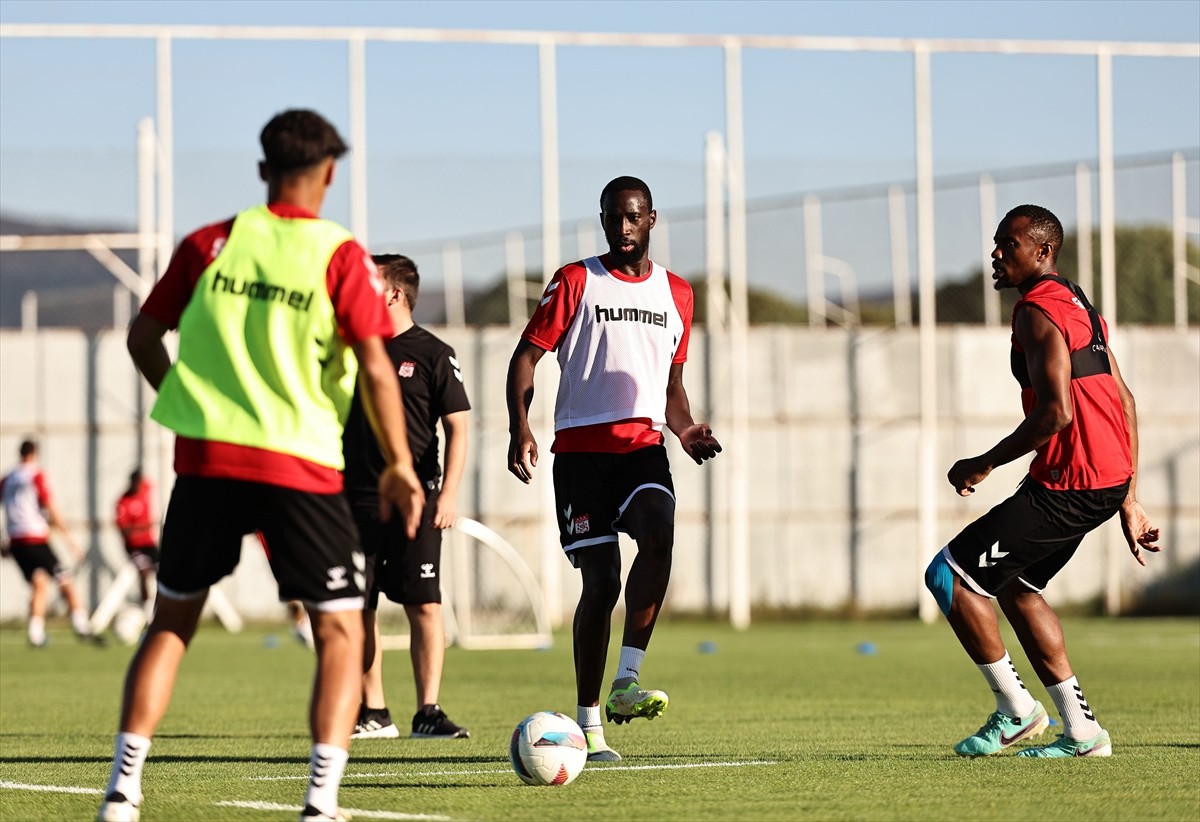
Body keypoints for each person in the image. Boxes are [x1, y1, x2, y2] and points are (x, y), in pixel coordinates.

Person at [97, 109, 425, 822]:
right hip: (299, 467)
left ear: (261, 171)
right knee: (340, 629)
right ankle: (320, 802)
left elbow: (143, 336)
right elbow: (374, 365)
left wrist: (189, 400)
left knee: (170, 624)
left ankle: (122, 792)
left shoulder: (209, 244)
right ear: (329, 173)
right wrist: (399, 462)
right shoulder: (340, 256)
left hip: (206, 462)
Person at [925, 204, 1161, 760]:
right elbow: (1121, 400)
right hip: (1099, 480)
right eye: (996, 243)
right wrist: (1128, 496)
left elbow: (1055, 414)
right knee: (1016, 585)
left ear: (1042, 251)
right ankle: (1081, 732)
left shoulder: (1036, 310)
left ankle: (1017, 711)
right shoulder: (1078, 302)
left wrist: (982, 462)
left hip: (1069, 484)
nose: (997, 253)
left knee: (949, 577)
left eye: (1009, 243)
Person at [506, 176, 722, 762]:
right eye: (612, 218)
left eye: (633, 218)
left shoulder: (678, 293)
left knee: (659, 529)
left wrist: (685, 428)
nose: (623, 229)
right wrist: (519, 425)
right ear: (602, 219)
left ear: (652, 218)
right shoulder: (576, 280)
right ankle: (588, 724)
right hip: (579, 458)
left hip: (642, 448)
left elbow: (672, 387)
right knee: (600, 583)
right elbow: (526, 356)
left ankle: (628, 680)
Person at [344, 254, 472, 741]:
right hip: (354, 500)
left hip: (418, 499)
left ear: (393, 293)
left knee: (424, 602)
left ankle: (428, 711)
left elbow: (458, 427)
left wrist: (450, 494)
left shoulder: (434, 353)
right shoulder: (353, 349)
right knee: (359, 605)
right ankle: (373, 711)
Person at [1, 438, 94, 646]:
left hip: (16, 542)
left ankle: (35, 634)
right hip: (35, 539)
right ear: (34, 453)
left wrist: (3, 540)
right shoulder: (36, 474)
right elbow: (50, 507)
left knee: (39, 582)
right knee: (65, 579)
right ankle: (82, 626)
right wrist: (71, 541)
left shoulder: (7, 478)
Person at [114, 468, 158, 618]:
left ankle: (164, 609)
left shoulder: (146, 489)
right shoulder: (123, 502)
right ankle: (148, 611)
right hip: (134, 546)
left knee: (164, 573)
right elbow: (125, 531)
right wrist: (144, 527)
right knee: (144, 571)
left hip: (150, 544)